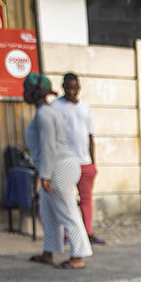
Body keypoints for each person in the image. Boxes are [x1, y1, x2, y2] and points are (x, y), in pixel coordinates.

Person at [22, 73, 89, 268]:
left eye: (25, 90)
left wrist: (45, 176)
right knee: (48, 212)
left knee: (66, 212)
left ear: (35, 94)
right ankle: (48, 252)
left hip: (57, 167)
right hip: (60, 164)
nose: (23, 94)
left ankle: (78, 257)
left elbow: (48, 146)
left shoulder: (44, 113)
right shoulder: (50, 111)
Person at [54, 72, 103, 244]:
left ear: (79, 88)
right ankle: (68, 235)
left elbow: (90, 136)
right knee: (67, 200)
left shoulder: (85, 108)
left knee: (86, 199)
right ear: (63, 87)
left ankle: (88, 233)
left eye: (74, 88)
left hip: (85, 162)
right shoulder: (56, 106)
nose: (71, 91)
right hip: (66, 162)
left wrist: (93, 163)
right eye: (68, 87)